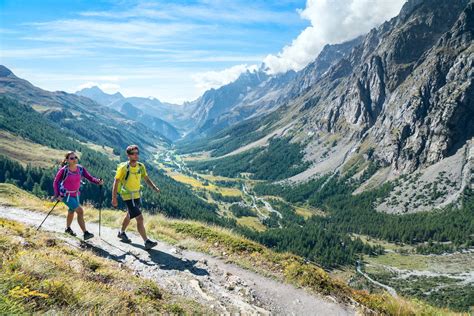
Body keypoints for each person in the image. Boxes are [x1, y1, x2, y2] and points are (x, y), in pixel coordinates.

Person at [112, 145, 160, 250]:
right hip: (128, 195)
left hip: (137, 195)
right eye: (133, 153)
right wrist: (114, 198)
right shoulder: (123, 168)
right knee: (139, 218)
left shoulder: (140, 166)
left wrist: (154, 187)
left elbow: (146, 178)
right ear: (128, 155)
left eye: (137, 153)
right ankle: (146, 241)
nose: (136, 155)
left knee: (129, 215)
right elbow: (116, 182)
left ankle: (121, 232)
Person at [53, 151, 103, 240]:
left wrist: (97, 181)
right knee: (80, 211)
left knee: (72, 211)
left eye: (75, 157)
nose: (74, 159)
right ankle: (85, 233)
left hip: (76, 194)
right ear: (67, 160)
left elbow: (90, 177)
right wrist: (58, 195)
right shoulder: (63, 170)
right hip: (66, 195)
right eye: (71, 158)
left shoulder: (80, 169)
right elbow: (56, 182)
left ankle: (67, 229)